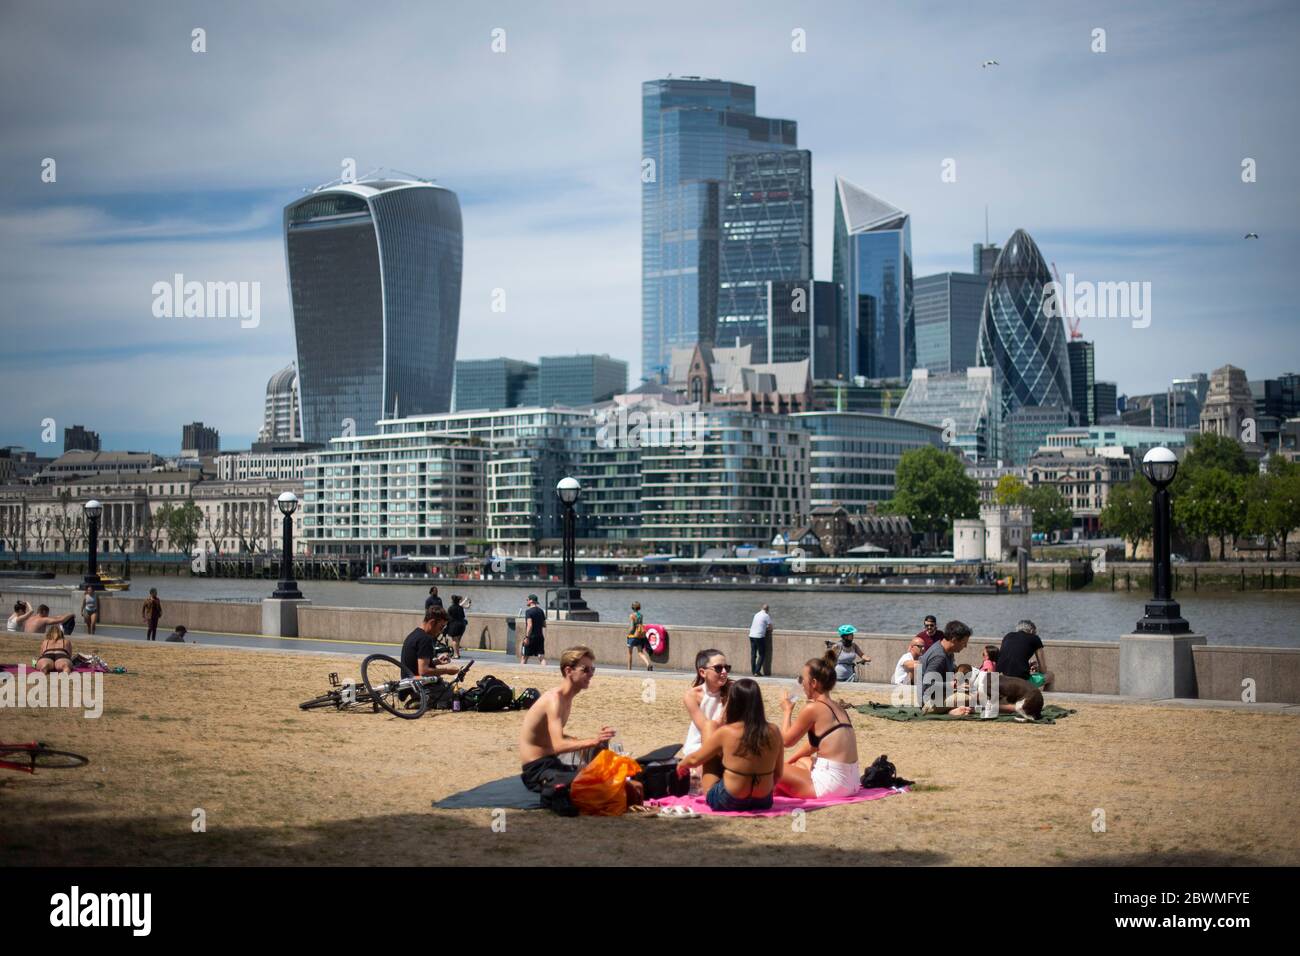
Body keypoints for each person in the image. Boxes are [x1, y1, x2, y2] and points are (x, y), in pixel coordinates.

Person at [677, 678, 783, 812]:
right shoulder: (775, 731)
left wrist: (681, 765)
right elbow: (778, 774)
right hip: (763, 800)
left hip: (729, 800)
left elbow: (694, 759)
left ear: (733, 703)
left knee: (710, 746)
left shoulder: (728, 732)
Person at [518, 645, 616, 792]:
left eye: (593, 669)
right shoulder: (554, 700)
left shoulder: (566, 698)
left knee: (608, 773)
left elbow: (548, 738)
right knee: (596, 784)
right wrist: (593, 741)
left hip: (551, 762)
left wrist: (598, 743)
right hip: (537, 770)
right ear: (568, 671)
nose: (591, 674)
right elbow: (558, 745)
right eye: (585, 670)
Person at [776, 651, 860, 798]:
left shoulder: (813, 708)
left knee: (769, 768)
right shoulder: (839, 708)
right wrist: (789, 763)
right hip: (852, 782)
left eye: (802, 679)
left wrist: (787, 711)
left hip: (831, 785)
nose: (801, 683)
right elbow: (812, 747)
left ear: (813, 683)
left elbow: (786, 741)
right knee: (802, 761)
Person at [681, 649, 732, 790]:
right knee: (704, 776)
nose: (724, 672)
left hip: (727, 744)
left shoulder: (733, 690)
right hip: (700, 745)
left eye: (727, 668)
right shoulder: (692, 695)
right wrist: (728, 704)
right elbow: (706, 729)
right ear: (703, 672)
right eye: (718, 668)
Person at [916, 620, 972, 709]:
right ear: (954, 640)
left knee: (966, 669)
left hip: (939, 694)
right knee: (972, 698)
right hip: (928, 701)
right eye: (964, 643)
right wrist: (953, 685)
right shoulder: (939, 656)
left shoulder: (948, 651)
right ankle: (948, 711)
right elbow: (927, 684)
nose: (965, 646)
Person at [401, 606, 462, 679]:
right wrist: (447, 670)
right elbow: (423, 671)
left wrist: (436, 662)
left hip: (408, 682)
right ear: (432, 623)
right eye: (441, 627)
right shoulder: (425, 639)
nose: (441, 631)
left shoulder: (414, 635)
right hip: (418, 684)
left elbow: (414, 665)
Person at [997, 620, 1054, 689]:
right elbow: (1043, 670)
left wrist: (1027, 665)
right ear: (1032, 631)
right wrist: (1038, 668)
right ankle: (1043, 696)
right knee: (1050, 675)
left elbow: (1008, 658)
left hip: (1000, 679)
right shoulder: (1035, 638)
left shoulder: (1007, 636)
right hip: (1021, 682)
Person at [520, 594, 546, 666]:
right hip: (540, 637)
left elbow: (530, 625)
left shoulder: (529, 611)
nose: (527, 601)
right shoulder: (541, 611)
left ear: (531, 601)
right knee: (541, 657)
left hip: (531, 637)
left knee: (524, 657)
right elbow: (544, 624)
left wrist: (527, 637)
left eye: (527, 600)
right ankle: (545, 670)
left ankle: (521, 671)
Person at [625, 601, 652, 671]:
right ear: (639, 608)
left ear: (632, 607)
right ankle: (648, 664)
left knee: (630, 653)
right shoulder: (641, 615)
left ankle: (629, 669)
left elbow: (632, 627)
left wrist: (628, 634)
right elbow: (640, 625)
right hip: (639, 635)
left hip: (632, 636)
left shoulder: (632, 616)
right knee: (640, 652)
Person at [747, 603, 772, 676]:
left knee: (753, 654)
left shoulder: (756, 614)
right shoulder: (766, 615)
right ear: (767, 610)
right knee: (762, 654)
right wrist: (765, 628)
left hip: (751, 635)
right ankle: (757, 671)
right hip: (759, 636)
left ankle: (753, 671)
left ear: (761, 608)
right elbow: (770, 627)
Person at [445, 594, 470, 659]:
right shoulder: (460, 607)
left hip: (454, 625)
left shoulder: (451, 608)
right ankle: (458, 654)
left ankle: (456, 655)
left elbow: (447, 617)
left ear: (452, 601)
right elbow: (463, 616)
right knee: (458, 641)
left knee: (454, 640)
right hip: (462, 625)